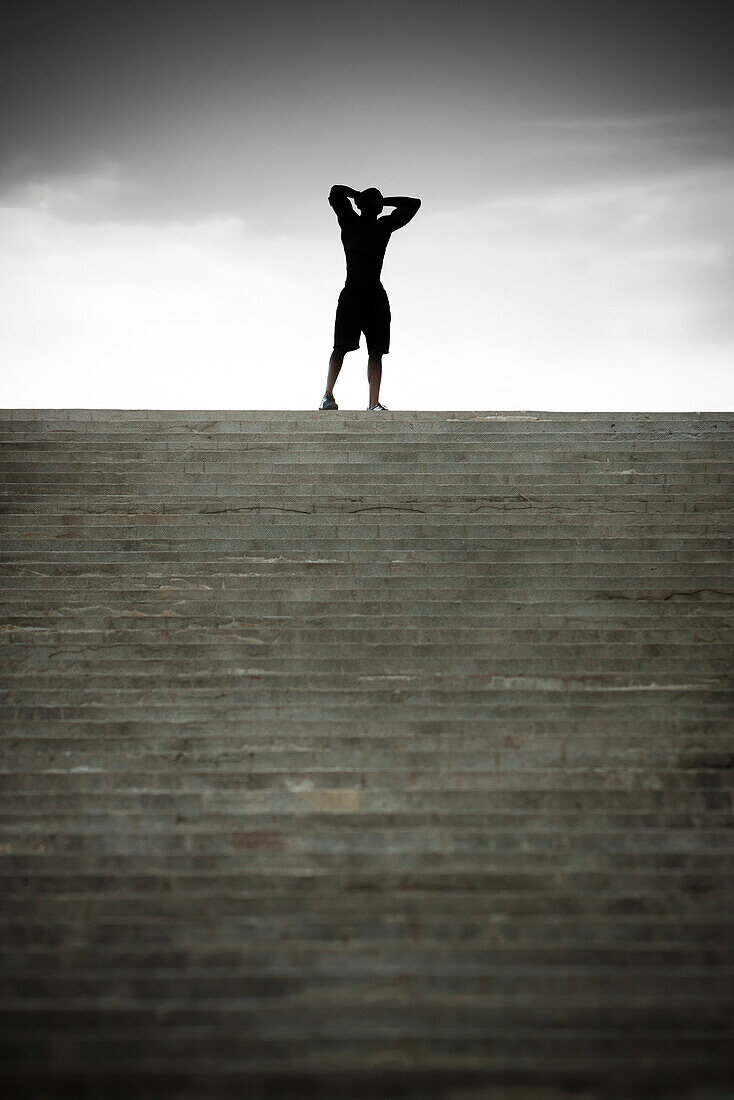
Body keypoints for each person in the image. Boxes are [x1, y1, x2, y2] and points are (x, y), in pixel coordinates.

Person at [320, 185, 421, 411]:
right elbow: (335, 191)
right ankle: (327, 395)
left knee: (376, 351)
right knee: (340, 346)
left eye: (378, 201)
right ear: (362, 204)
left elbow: (414, 203)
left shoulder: (383, 226)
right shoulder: (349, 220)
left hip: (375, 294)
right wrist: (360, 197)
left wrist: (379, 201)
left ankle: (373, 403)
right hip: (353, 292)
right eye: (372, 200)